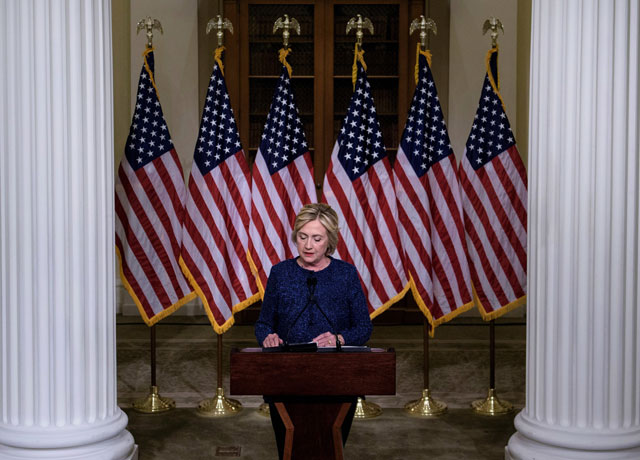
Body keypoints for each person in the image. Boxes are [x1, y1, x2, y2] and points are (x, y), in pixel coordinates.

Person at [255, 203, 373, 459]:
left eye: (317, 238)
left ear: (330, 240)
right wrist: (268, 337)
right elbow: (263, 324)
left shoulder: (346, 274)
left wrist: (339, 339)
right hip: (286, 375)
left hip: (336, 377)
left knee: (329, 446)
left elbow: (364, 327)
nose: (308, 245)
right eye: (303, 236)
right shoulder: (280, 273)